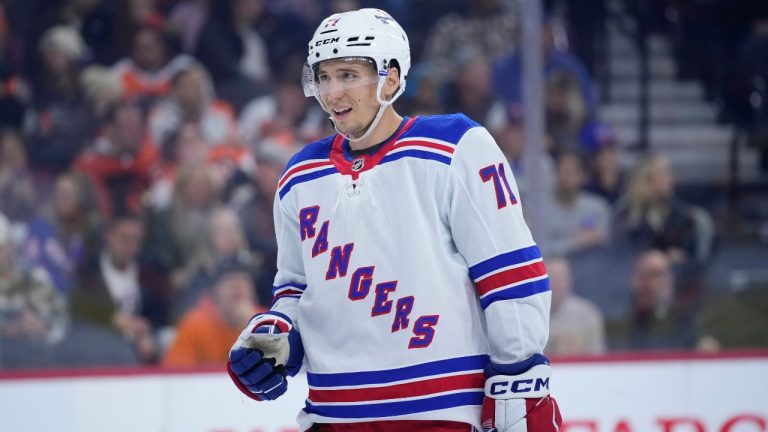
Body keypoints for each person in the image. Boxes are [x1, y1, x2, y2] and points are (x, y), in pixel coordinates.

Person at [227, 9, 561, 432]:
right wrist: (272, 339)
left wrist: (519, 376)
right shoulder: (299, 175)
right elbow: (295, 286)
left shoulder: (456, 146)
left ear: (390, 79)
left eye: (348, 75)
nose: (332, 92)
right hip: (332, 414)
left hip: (439, 411)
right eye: (324, 77)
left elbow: (507, 272)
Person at [162, 254, 264, 367]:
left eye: (245, 280)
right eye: (229, 280)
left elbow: (279, 370)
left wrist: (255, 331)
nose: (238, 285)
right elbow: (176, 373)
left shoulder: (267, 322)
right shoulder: (195, 324)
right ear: (215, 291)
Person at [545, 257, 606, 356]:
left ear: (569, 281)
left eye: (560, 279)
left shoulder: (588, 314)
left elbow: (598, 357)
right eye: (550, 279)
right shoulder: (530, 316)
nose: (555, 285)